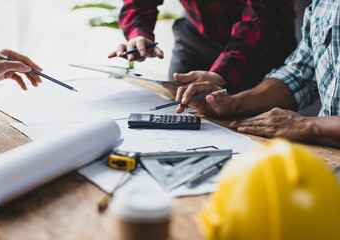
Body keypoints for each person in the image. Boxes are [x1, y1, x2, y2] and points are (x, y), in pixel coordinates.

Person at [174, 0, 340, 148]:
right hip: (325, 152)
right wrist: (234, 104)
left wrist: (306, 126)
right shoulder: (325, 4)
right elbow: (299, 76)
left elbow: (264, 12)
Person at [109, 0, 297, 95]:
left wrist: (222, 73)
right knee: (177, 113)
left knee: (254, 131)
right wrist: (139, 33)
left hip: (261, 43)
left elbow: (264, 15)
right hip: (195, 35)